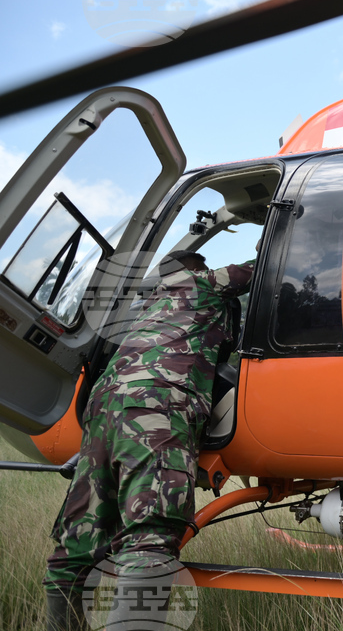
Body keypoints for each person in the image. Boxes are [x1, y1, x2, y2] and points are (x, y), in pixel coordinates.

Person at [44, 247, 256, 630]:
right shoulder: (197, 283)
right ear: (191, 268)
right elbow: (268, 265)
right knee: (150, 542)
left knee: (77, 540)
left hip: (103, 406)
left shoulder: (147, 308)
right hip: (154, 405)